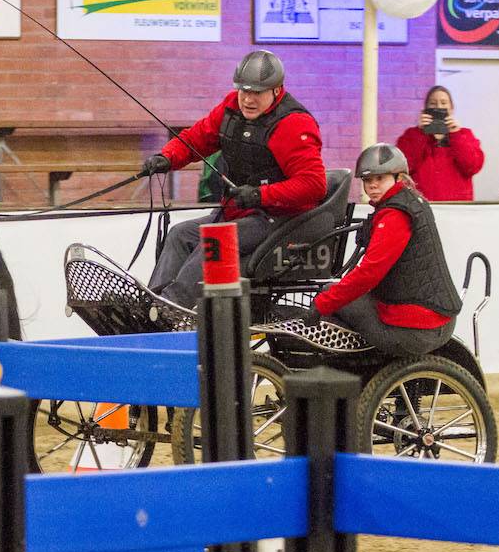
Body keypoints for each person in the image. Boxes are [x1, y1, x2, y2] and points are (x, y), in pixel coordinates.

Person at [140, 49, 326, 308]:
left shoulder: (293, 125)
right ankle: (151, 303)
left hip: (281, 220)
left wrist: (260, 195)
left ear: (276, 90)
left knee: (215, 241)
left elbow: (314, 185)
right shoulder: (231, 107)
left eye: (256, 93)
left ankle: (169, 308)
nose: (247, 99)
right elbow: (197, 138)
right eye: (243, 91)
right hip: (240, 214)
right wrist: (167, 157)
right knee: (180, 234)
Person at [305, 143, 461, 357]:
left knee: (328, 296)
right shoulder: (411, 201)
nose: (373, 186)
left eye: (380, 178)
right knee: (337, 294)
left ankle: (338, 367)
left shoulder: (395, 215)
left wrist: (322, 304)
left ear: (399, 177)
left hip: (416, 329)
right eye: (367, 180)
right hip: (434, 317)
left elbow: (369, 273)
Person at [394, 85, 484, 201]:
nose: (438, 107)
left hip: (458, 206)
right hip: (420, 205)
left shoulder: (464, 135)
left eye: (443, 103)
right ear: (425, 109)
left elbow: (472, 167)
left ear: (451, 108)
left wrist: (456, 135)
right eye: (433, 103)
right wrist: (420, 133)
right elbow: (403, 167)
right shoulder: (412, 135)